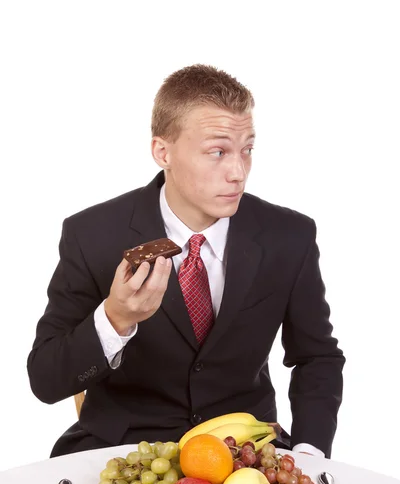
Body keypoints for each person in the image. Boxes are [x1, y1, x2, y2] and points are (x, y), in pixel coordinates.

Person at [27, 64, 345, 459]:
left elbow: (317, 357)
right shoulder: (92, 234)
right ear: (163, 151)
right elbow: (45, 379)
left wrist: (309, 452)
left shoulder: (289, 236)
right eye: (218, 152)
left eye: (247, 149)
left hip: (245, 453)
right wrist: (115, 319)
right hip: (123, 450)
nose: (238, 172)